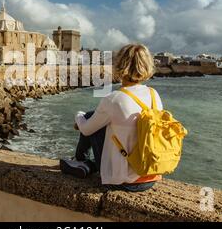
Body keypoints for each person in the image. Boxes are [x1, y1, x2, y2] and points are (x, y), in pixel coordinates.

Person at [60, 44, 163, 192]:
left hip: (122, 181)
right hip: (150, 177)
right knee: (105, 121)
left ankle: (81, 162)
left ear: (119, 65)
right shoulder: (154, 95)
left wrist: (79, 116)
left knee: (89, 116)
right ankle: (88, 165)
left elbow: (87, 130)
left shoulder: (114, 99)